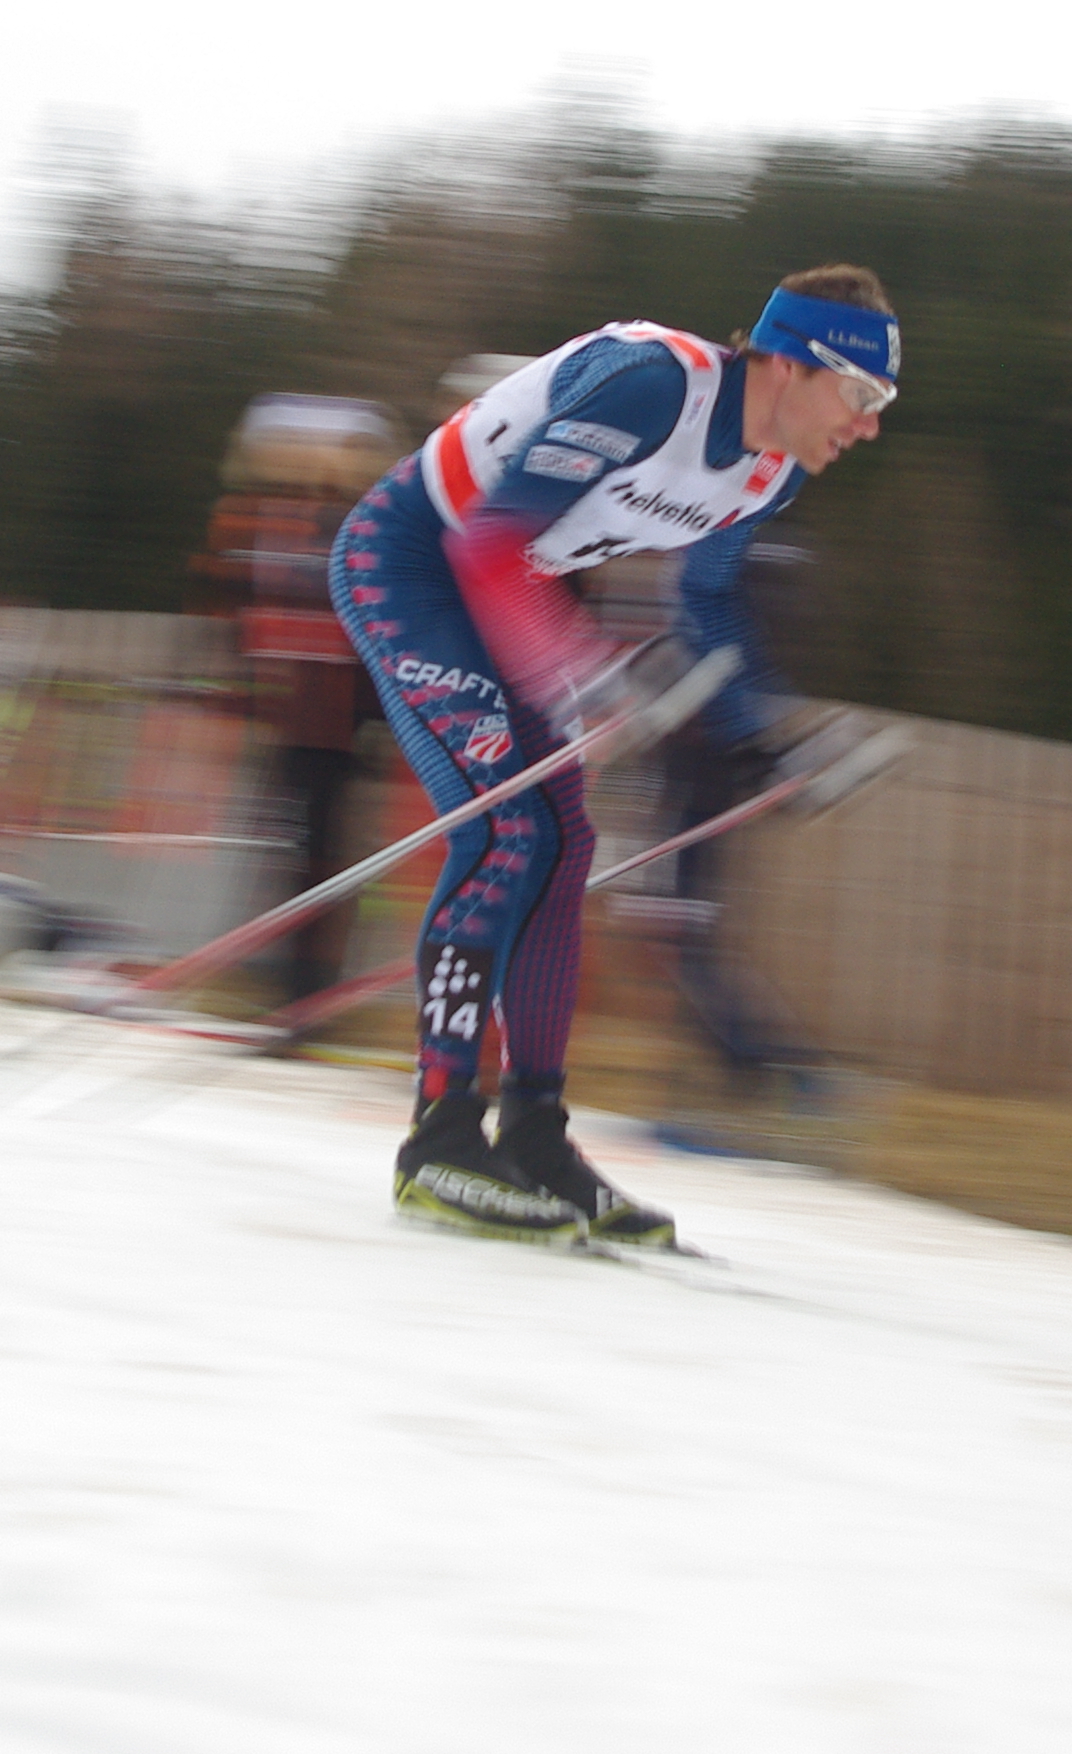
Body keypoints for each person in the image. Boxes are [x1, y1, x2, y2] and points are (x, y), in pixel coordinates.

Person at [330, 265, 900, 1247]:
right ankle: (440, 1137)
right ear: (792, 362)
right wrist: (584, 677)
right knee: (509, 832)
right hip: (414, 564)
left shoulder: (766, 472)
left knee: (564, 843)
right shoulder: (652, 384)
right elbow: (489, 543)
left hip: (506, 596)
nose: (868, 425)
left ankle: (538, 1137)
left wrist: (770, 737)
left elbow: (707, 610)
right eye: (861, 395)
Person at [194, 394, 400, 1019]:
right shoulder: (248, 519)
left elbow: (383, 616)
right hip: (284, 713)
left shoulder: (363, 522)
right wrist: (237, 688)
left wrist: (379, 712)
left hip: (338, 721)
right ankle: (276, 963)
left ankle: (310, 981)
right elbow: (227, 602)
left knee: (322, 849)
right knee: (274, 841)